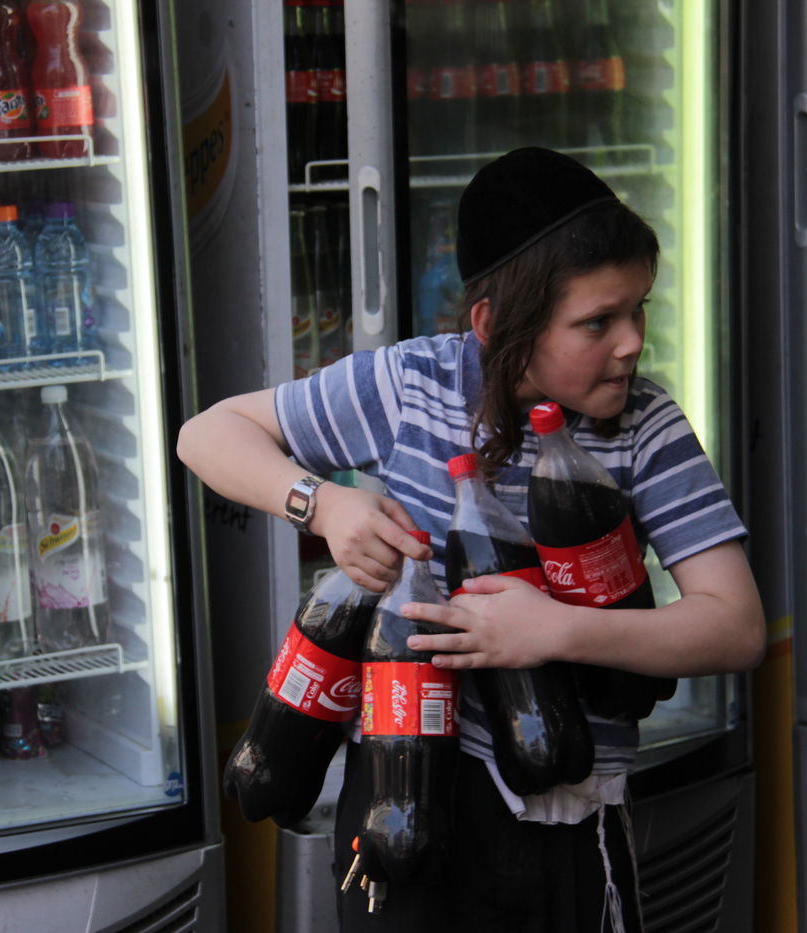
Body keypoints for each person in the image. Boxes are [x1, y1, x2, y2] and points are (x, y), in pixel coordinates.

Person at [177, 147, 765, 932]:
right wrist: (323, 506)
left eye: (639, 309)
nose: (631, 342)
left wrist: (555, 629)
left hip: (570, 816)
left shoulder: (645, 428)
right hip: (404, 799)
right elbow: (207, 434)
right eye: (598, 321)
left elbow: (736, 625)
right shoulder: (412, 385)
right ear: (496, 324)